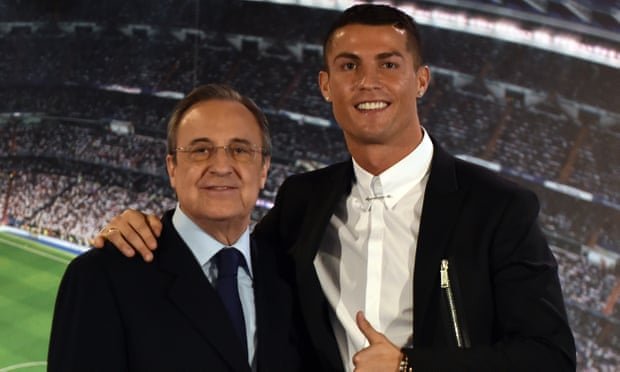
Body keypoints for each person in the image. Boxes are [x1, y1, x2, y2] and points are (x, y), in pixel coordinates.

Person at [93, 4, 576, 371]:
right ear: (326, 85)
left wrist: (410, 365)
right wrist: (148, 226)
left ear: (421, 80)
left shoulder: (498, 207)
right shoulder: (303, 199)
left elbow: (550, 356)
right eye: (349, 66)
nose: (368, 82)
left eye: (389, 64)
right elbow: (230, 255)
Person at [48, 84, 304, 371]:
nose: (221, 166)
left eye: (240, 150)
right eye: (201, 150)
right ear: (172, 167)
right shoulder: (101, 277)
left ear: (264, 170)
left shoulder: (287, 276)